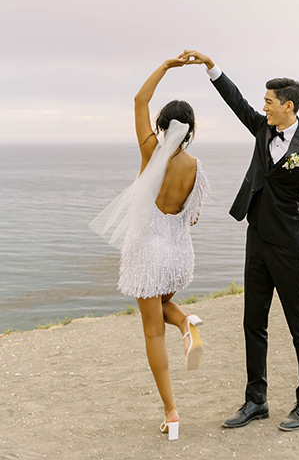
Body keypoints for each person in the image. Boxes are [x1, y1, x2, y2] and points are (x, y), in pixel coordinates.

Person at [182, 49, 299, 432]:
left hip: (290, 246)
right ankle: (256, 400)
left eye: (269, 101)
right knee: (253, 322)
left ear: (288, 105)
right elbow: (236, 102)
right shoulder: (263, 129)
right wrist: (211, 67)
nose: (263, 107)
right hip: (257, 241)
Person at [89, 57, 209, 441]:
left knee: (152, 332)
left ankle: (171, 412)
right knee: (162, 309)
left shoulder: (150, 153)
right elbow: (191, 218)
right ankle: (187, 324)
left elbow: (140, 99)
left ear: (161, 126)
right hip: (178, 257)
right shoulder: (196, 168)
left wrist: (167, 66)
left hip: (147, 254)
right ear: (190, 132)